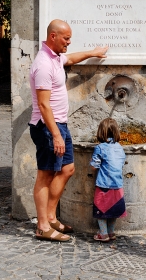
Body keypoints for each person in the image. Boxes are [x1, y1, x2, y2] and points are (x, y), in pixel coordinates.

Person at [29, 19, 109, 242]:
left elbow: (71, 58)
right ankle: (43, 226)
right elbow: (44, 104)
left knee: (67, 169)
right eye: (66, 38)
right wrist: (55, 134)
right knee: (45, 175)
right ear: (53, 36)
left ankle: (51, 217)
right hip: (47, 127)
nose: (69, 42)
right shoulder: (43, 64)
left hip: (58, 125)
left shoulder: (54, 57)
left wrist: (93, 52)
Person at [89, 117, 127, 242]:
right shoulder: (120, 148)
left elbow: (94, 166)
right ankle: (111, 232)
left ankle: (103, 234)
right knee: (114, 209)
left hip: (104, 185)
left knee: (101, 209)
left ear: (101, 132)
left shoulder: (100, 147)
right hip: (118, 185)